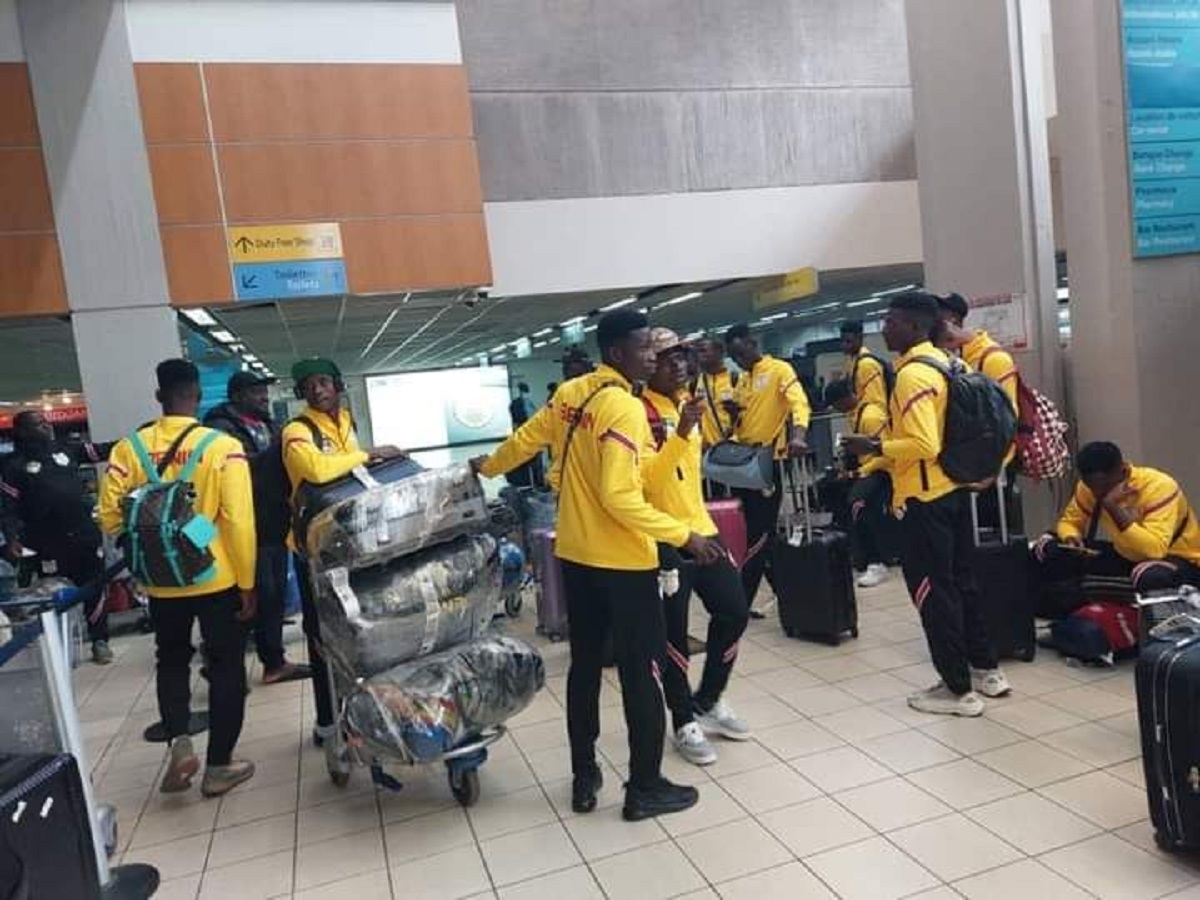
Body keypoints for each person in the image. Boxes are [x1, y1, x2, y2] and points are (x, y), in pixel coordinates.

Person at [472, 310, 723, 821]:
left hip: (576, 556)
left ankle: (584, 777)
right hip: (624, 563)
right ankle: (645, 787)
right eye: (643, 348)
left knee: (585, 669)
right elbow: (620, 495)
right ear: (615, 354)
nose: (653, 355)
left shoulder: (572, 395)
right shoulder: (625, 409)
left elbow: (525, 442)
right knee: (643, 674)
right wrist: (684, 535)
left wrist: (483, 468)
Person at [97, 359, 257, 796]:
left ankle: (180, 742)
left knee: (170, 660)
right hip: (216, 577)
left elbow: (111, 516)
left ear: (158, 397)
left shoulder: (128, 449)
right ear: (198, 396)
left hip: (160, 583)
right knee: (225, 669)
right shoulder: (221, 446)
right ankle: (220, 765)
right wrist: (246, 580)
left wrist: (153, 545)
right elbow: (238, 521)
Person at [844, 292, 1007, 718]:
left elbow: (922, 443)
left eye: (892, 321)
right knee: (963, 583)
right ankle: (987, 669)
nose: (883, 328)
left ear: (915, 327)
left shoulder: (914, 375)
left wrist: (873, 444)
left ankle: (956, 690)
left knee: (934, 594)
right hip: (953, 490)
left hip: (924, 498)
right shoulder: (951, 363)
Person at [282, 357, 406, 747]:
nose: (318, 390)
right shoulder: (295, 431)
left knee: (355, 626)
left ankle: (364, 712)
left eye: (324, 382)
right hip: (312, 548)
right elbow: (316, 470)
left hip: (347, 543)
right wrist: (368, 454)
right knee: (322, 636)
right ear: (301, 393)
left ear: (338, 384)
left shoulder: (346, 421)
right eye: (309, 386)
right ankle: (327, 722)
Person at [641, 329, 751, 767]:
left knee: (735, 611)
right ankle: (683, 720)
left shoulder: (689, 404)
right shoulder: (641, 412)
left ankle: (709, 698)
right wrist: (680, 432)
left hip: (702, 527)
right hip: (665, 538)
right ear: (650, 364)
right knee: (674, 636)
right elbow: (648, 482)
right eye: (668, 359)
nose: (680, 366)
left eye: (684, 357)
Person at [204, 371, 311, 685]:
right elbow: (239, 469)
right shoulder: (220, 429)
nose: (264, 397)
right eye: (256, 392)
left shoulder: (267, 423)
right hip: (244, 527)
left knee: (273, 597)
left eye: (265, 391)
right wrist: (277, 454)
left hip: (274, 522)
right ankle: (219, 664)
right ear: (237, 395)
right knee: (253, 598)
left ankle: (274, 663)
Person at [0, 412, 114, 664]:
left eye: (45, 422)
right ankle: (59, 647)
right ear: (22, 432)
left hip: (84, 535)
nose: (46, 426)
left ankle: (99, 640)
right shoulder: (13, 466)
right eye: (38, 424)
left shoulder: (66, 449)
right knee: (53, 595)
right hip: (46, 542)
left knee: (95, 587)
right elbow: (7, 508)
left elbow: (103, 451)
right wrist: (11, 538)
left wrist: (138, 440)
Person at [1032, 441, 1200, 598]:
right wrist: (1071, 537)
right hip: (1124, 555)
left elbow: (1153, 550)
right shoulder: (1088, 488)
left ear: (1121, 470)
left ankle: (1092, 590)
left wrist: (1112, 507)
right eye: (1092, 487)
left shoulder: (1159, 487)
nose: (1098, 493)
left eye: (1105, 486)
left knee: (1149, 577)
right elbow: (1070, 521)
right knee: (1050, 549)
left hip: (1176, 559)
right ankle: (1101, 591)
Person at [723, 324, 811, 615]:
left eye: (739, 353)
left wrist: (798, 435)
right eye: (733, 357)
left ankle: (741, 599)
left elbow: (799, 403)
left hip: (768, 462)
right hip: (743, 463)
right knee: (756, 532)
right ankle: (785, 590)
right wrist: (734, 417)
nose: (738, 360)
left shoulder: (779, 370)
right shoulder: (743, 380)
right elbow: (741, 423)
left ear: (752, 343)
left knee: (758, 534)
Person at [934, 292, 1021, 530]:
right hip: (965, 465)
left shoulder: (992, 359)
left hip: (990, 470)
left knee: (993, 538)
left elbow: (1008, 420)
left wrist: (993, 472)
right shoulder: (949, 358)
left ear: (951, 320)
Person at [825, 378, 894, 588]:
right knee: (829, 489)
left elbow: (886, 453)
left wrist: (858, 473)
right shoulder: (854, 414)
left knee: (858, 502)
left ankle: (877, 562)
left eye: (836, 405)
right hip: (867, 468)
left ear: (845, 399)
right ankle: (857, 554)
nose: (835, 410)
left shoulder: (871, 416)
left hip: (883, 470)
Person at [694, 338, 737, 450]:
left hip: (732, 446)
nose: (699, 355)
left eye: (703, 350)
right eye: (697, 352)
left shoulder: (735, 379)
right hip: (707, 450)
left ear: (719, 353)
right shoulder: (696, 382)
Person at [840, 320, 889, 414]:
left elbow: (876, 401)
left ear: (860, 338)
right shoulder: (853, 362)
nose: (844, 345)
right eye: (842, 341)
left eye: (848, 341)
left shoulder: (866, 364)